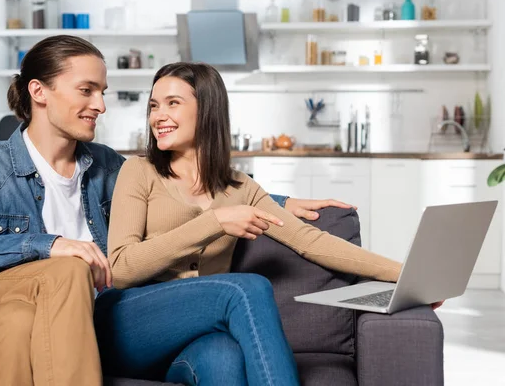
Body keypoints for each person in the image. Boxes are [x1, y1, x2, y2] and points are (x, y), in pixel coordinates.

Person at [0, 35, 353, 385]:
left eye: (102, 91)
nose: (100, 105)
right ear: (38, 92)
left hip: (41, 321)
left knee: (25, 320)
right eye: (87, 90)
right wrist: (49, 246)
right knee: (68, 269)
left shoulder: (107, 168)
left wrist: (277, 202)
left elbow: (181, 186)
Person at [103, 62, 419, 385]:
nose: (158, 116)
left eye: (173, 103)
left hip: (193, 341)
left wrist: (407, 275)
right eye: (154, 105)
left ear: (208, 110)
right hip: (133, 325)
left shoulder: (241, 188)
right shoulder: (138, 172)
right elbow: (121, 268)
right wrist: (214, 222)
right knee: (247, 287)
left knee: (223, 359)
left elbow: (311, 242)